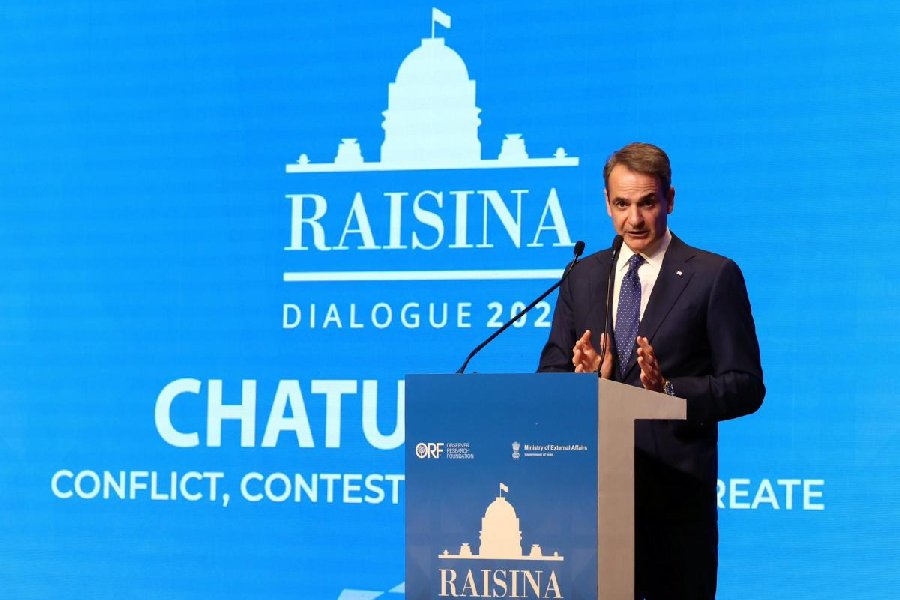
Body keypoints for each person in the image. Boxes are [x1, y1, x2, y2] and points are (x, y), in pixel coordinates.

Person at [538, 142, 765, 599]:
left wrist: (667, 390)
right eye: (622, 204)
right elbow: (550, 376)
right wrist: (584, 383)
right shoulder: (582, 276)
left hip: (673, 509)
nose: (634, 219)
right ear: (607, 203)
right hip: (590, 505)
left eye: (647, 203)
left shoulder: (713, 276)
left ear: (670, 200)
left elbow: (745, 386)